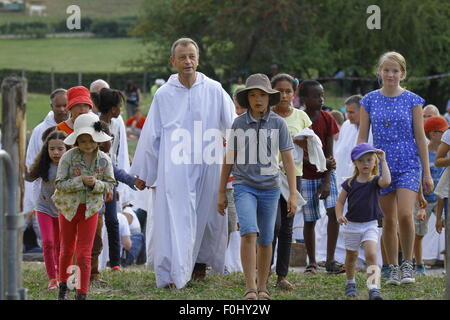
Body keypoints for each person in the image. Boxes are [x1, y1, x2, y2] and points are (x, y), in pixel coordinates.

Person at [130, 38, 236, 289]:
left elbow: (233, 125)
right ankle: (171, 273)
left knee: (206, 214)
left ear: (198, 59)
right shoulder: (164, 95)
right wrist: (145, 172)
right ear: (173, 61)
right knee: (174, 217)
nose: (187, 61)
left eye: (191, 56)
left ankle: (199, 264)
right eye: (182, 57)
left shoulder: (214, 89)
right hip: (174, 166)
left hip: (208, 161)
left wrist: (243, 160)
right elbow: (151, 136)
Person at [217, 73, 298, 300]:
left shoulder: (279, 123)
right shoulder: (238, 123)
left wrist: (292, 194)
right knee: (249, 232)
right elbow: (228, 160)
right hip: (244, 186)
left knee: (266, 239)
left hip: (271, 188)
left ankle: (263, 288)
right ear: (247, 98)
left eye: (262, 94)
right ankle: (250, 287)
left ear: (269, 97)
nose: (257, 99)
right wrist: (221, 191)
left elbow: (289, 161)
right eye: (252, 95)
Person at [357, 51, 433, 285]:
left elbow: (421, 138)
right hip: (381, 167)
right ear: (380, 72)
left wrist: (427, 173)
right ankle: (391, 267)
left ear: (403, 73)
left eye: (395, 70)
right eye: (386, 70)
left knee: (405, 215)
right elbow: (362, 138)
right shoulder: (368, 100)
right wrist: (362, 168)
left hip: (409, 164)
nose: (390, 74)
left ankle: (408, 263)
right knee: (388, 220)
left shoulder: (413, 100)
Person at [52, 113, 115, 300]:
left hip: (91, 209)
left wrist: (96, 184)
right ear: (76, 140)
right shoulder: (68, 157)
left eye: (91, 140)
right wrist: (80, 181)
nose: (88, 144)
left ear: (98, 139)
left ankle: (82, 293)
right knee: (67, 249)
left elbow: (110, 184)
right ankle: (63, 287)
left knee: (84, 253)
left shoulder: (104, 160)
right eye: (83, 140)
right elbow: (59, 183)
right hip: (68, 208)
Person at [270, 73, 311, 290]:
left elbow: (311, 147)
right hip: (269, 176)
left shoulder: (302, 117)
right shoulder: (265, 115)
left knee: (287, 227)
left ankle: (281, 275)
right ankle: (263, 270)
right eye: (279, 91)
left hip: (293, 176)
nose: (284, 95)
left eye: (288, 91)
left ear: (294, 93)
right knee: (271, 225)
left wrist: (303, 143)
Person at [336, 143, 391, 300]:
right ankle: (350, 282)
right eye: (361, 160)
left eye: (369, 160)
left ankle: (373, 287)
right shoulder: (350, 183)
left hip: (370, 224)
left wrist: (384, 161)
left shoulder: (375, 181)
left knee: (371, 254)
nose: (365, 163)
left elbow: (387, 182)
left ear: (374, 162)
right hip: (351, 225)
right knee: (351, 256)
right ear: (355, 163)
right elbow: (339, 202)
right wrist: (339, 215)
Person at [298, 79, 343, 274]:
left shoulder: (327, 118)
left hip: (326, 175)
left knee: (333, 213)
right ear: (304, 98)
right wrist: (316, 163)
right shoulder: (299, 119)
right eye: (316, 96)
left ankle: (331, 260)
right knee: (310, 219)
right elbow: (297, 153)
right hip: (306, 176)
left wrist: (326, 178)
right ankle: (312, 262)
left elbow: (329, 154)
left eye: (322, 95)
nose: (321, 99)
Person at [24, 89, 69, 248]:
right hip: (44, 195)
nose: (62, 109)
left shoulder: (74, 127)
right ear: (51, 106)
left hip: (68, 196)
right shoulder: (39, 131)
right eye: (58, 106)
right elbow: (31, 165)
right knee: (48, 240)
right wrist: (32, 199)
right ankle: (53, 270)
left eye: (65, 105)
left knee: (64, 239)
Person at [26, 131, 70, 290]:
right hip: (43, 207)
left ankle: (61, 275)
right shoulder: (43, 163)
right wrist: (22, 168)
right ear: (47, 149)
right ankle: (52, 278)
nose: (56, 153)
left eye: (60, 148)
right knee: (48, 242)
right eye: (52, 149)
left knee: (60, 244)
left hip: (62, 209)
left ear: (67, 149)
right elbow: (29, 177)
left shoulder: (70, 165)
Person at [413, 116, 447, 275]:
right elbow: (419, 174)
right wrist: (420, 198)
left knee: (446, 229)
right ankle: (419, 264)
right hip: (425, 198)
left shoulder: (446, 151)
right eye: (442, 131)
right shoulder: (424, 152)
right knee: (419, 232)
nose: (445, 133)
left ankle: (447, 266)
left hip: (443, 197)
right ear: (432, 133)